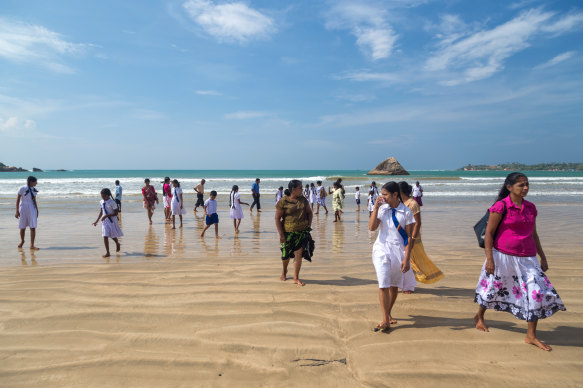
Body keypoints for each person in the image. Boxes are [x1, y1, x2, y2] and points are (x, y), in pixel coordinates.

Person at [474, 172, 565, 351]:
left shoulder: (531, 207)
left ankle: (531, 335)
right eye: (521, 185)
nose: (525, 188)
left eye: (527, 184)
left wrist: (543, 257)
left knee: (536, 293)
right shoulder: (500, 207)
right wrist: (490, 259)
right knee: (493, 289)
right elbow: (490, 233)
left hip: (528, 258)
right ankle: (479, 316)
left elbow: (534, 234)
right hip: (502, 257)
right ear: (509, 187)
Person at [368, 181, 415, 332]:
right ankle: (384, 319)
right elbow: (372, 227)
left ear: (395, 195)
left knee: (394, 285)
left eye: (385, 194)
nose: (383, 197)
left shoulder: (406, 212)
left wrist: (407, 258)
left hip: (398, 251)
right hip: (381, 249)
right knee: (383, 283)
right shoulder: (382, 209)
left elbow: (408, 238)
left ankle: (388, 314)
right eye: (382, 194)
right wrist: (375, 208)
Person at [399, 181, 444, 293]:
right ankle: (405, 284)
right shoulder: (400, 203)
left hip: (412, 237)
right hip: (402, 236)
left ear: (401, 192)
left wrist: (413, 239)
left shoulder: (412, 204)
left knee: (412, 261)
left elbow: (418, 223)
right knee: (404, 260)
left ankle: (409, 286)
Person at [275, 180, 314, 286]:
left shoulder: (303, 200)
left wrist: (308, 226)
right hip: (287, 233)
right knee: (285, 256)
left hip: (301, 233)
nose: (302, 189)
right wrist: (281, 235)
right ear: (293, 189)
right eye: (300, 188)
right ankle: (284, 270)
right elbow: (277, 218)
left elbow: (310, 213)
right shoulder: (283, 201)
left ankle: (296, 277)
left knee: (298, 254)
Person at [92, 188, 123, 258]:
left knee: (113, 235)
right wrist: (96, 221)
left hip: (112, 221)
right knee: (105, 236)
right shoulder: (101, 201)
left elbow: (116, 213)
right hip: (104, 221)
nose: (103, 198)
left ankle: (117, 244)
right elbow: (101, 212)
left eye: (104, 196)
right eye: (102, 196)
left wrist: (107, 215)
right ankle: (108, 253)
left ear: (108, 195)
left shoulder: (112, 202)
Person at [15, 176, 39, 250]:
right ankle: (22, 241)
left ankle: (32, 245)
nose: (36, 183)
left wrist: (37, 209)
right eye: (35, 181)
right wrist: (16, 211)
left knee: (33, 226)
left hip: (32, 208)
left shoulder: (34, 190)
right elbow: (18, 199)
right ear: (31, 182)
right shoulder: (22, 188)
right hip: (23, 208)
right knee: (22, 227)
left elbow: (34, 200)